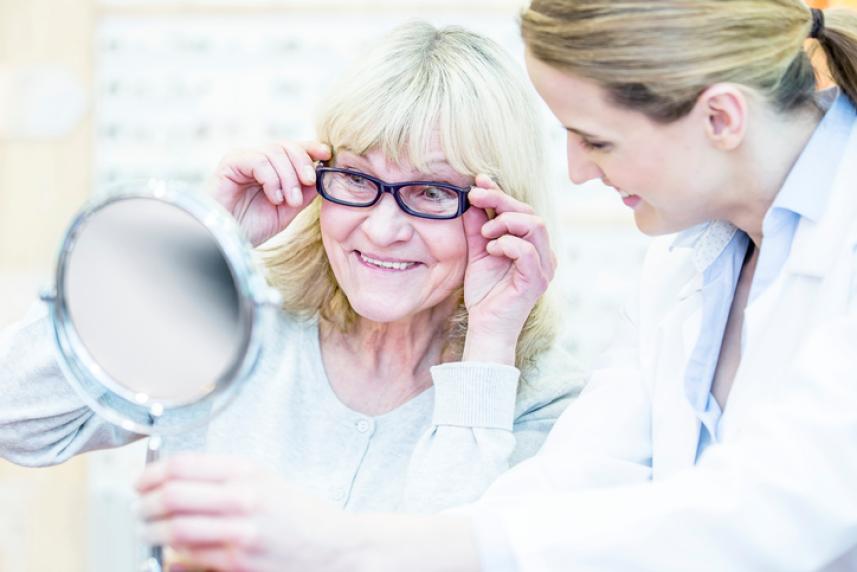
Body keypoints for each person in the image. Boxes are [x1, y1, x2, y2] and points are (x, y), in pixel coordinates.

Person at [136, 1, 857, 571]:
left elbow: (773, 511)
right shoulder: (683, 259)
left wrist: (342, 546)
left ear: (721, 119)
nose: (575, 171)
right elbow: (577, 482)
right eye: (359, 180)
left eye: (597, 140)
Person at [0, 22, 582, 516]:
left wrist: (487, 344)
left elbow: (454, 551)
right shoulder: (239, 330)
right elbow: (15, 421)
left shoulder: (544, 404)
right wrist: (196, 245)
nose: (381, 229)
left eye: (430, 192)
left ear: (498, 211)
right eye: (357, 178)